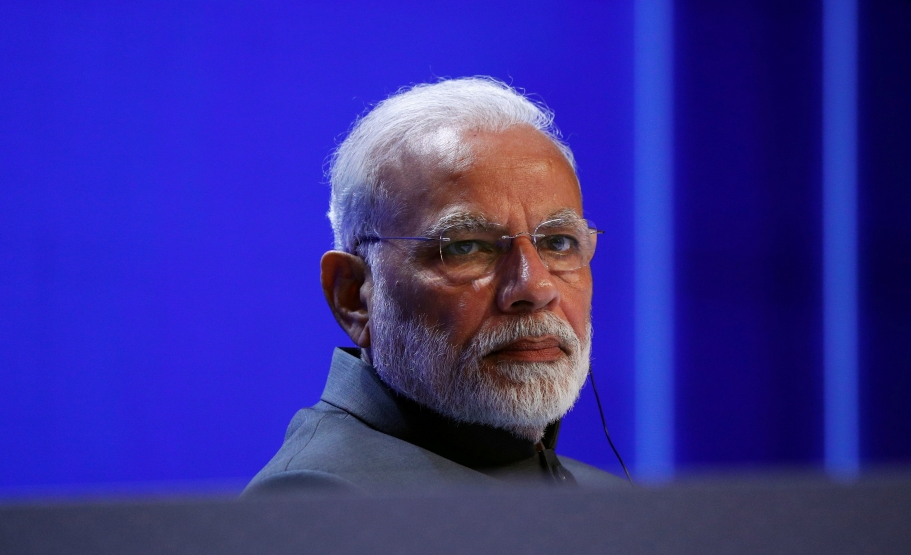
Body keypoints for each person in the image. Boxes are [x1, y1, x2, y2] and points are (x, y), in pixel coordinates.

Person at [243, 77, 626, 494]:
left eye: (558, 242)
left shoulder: (617, 505)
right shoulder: (317, 500)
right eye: (466, 247)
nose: (534, 287)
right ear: (354, 296)